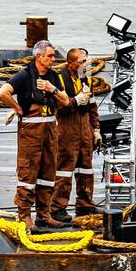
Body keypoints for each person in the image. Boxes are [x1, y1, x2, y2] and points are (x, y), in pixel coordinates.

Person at [0, 39, 70, 229]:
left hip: (51, 131)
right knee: (28, 173)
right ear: (38, 56)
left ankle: (44, 215)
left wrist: (51, 89)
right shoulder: (24, 75)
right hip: (31, 133)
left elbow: (66, 101)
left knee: (48, 173)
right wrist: (17, 108)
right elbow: (1, 93)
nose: (53, 59)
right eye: (50, 56)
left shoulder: (53, 76)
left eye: (53, 55)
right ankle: (24, 216)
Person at [50, 47, 102, 222]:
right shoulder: (59, 80)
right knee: (64, 170)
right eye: (81, 61)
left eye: (86, 61)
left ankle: (85, 205)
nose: (84, 64)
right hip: (67, 130)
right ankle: (57, 207)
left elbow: (93, 107)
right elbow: (58, 108)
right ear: (70, 63)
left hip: (85, 129)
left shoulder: (86, 79)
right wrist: (75, 101)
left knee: (86, 168)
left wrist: (96, 130)